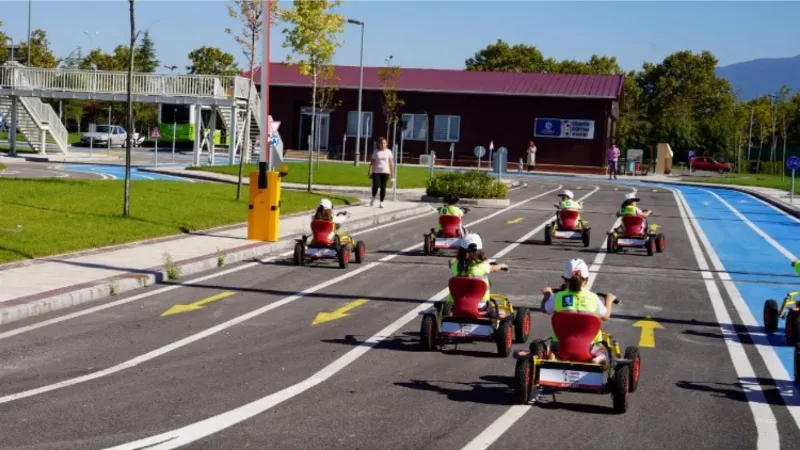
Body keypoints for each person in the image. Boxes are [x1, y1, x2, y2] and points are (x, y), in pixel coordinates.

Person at [540, 259, 616, 357]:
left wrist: (547, 295)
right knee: (597, 341)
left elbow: (544, 309)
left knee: (554, 344)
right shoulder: (593, 297)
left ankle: (554, 356)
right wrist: (608, 300)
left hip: (561, 344)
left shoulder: (558, 296)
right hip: (589, 346)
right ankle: (596, 356)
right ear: (586, 280)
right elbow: (605, 316)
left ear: (564, 279)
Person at [445, 234, 508, 309]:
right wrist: (502, 265)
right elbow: (494, 268)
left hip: (457, 304)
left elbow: (451, 262)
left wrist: (458, 258)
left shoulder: (455, 265)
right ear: (479, 251)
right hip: (479, 305)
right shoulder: (483, 265)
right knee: (496, 312)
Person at [368, 137, 394, 208]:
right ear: (379, 144)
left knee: (383, 187)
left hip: (385, 172)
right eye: (381, 143)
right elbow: (372, 162)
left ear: (386, 144)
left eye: (384, 143)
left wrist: (392, 176)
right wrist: (370, 170)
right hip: (376, 172)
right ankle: (373, 197)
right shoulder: (376, 151)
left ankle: (381, 202)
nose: (383, 144)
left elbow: (391, 164)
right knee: (376, 186)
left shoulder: (389, 152)